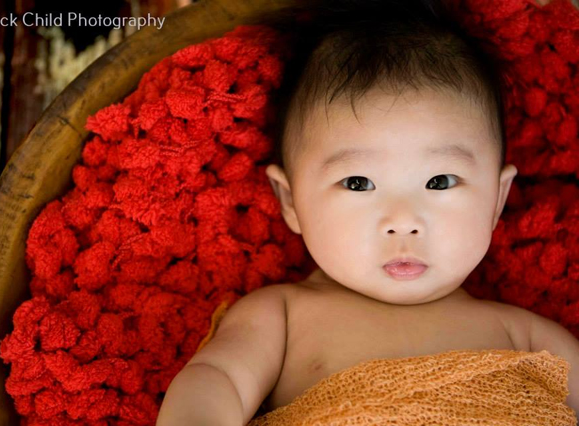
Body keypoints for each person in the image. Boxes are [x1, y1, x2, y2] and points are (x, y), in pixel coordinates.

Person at [156, 0, 579, 424]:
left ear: (497, 198)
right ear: (291, 201)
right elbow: (216, 380)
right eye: (358, 183)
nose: (403, 221)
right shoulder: (281, 316)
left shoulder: (528, 337)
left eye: (440, 182)